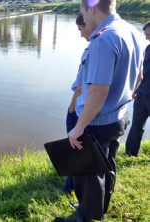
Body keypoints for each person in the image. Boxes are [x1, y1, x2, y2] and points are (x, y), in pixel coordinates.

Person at [56, 0, 145, 221]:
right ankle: (98, 207)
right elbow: (139, 77)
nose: (82, 17)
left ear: (92, 8)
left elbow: (98, 91)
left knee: (88, 172)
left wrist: (79, 127)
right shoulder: (132, 31)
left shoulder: (103, 39)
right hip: (119, 116)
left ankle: (86, 217)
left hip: (98, 121)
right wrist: (124, 99)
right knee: (107, 165)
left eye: (82, 11)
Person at [63, 13, 93, 194]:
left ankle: (70, 186)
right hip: (90, 111)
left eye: (81, 28)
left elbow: (81, 87)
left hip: (81, 111)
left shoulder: (95, 49)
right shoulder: (124, 39)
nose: (80, 34)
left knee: (74, 146)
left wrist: (71, 109)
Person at [125, 21, 150, 157]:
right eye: (146, 35)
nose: (146, 38)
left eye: (149, 35)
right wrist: (135, 89)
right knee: (136, 126)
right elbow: (142, 72)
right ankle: (130, 153)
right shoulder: (147, 49)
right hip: (142, 95)